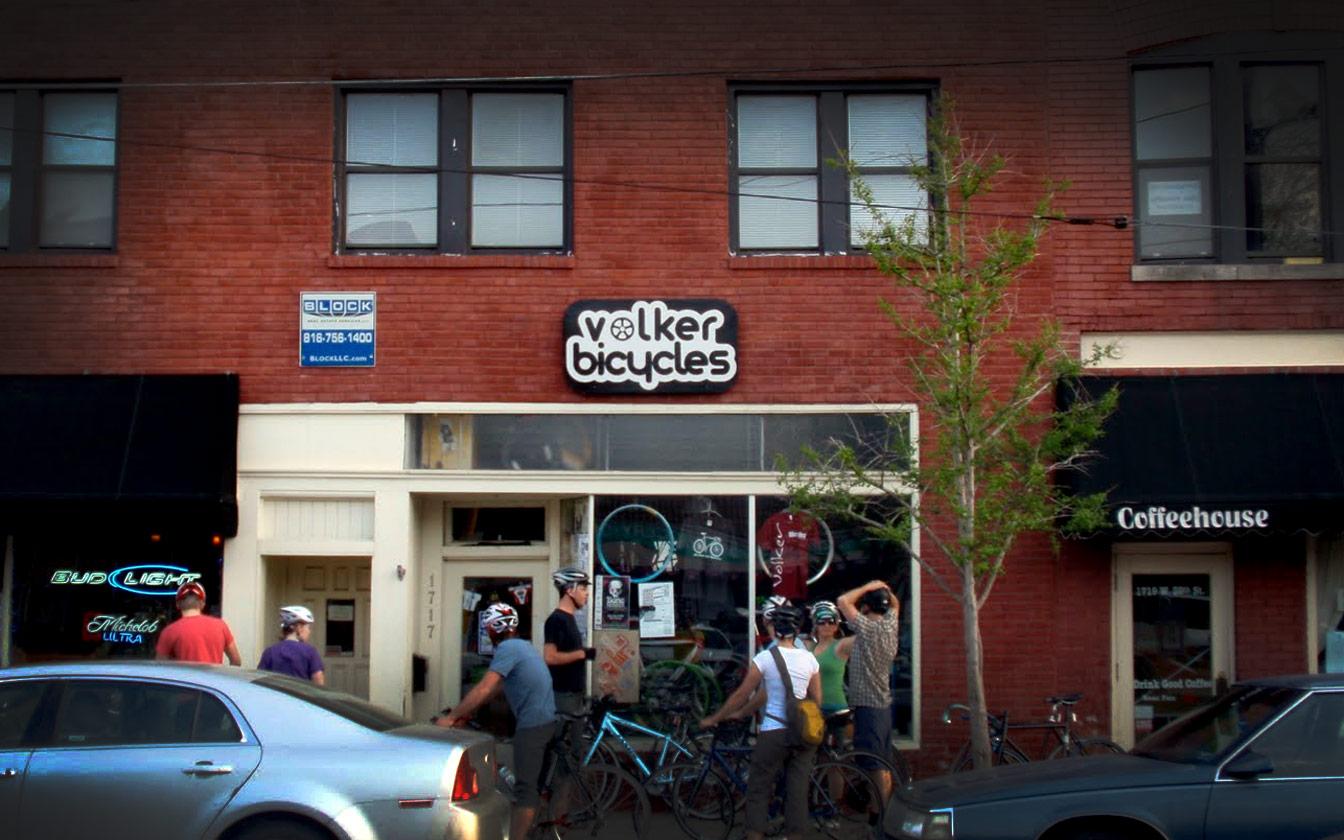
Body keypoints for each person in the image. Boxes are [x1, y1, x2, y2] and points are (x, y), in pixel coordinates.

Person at [436, 602, 556, 840]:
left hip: (533, 726)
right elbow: (497, 688)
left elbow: (484, 688)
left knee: (525, 791)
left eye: (487, 629)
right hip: (546, 722)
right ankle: (536, 828)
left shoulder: (508, 648)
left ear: (493, 629)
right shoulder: (523, 646)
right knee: (533, 785)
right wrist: (466, 713)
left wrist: (451, 717)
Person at [701, 605, 820, 840]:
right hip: (804, 733)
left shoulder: (765, 658)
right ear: (796, 631)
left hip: (774, 731)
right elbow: (817, 699)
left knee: (759, 787)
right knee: (798, 791)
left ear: (775, 629)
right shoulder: (809, 659)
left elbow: (742, 693)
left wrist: (716, 717)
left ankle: (755, 835)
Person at [836, 579, 901, 806]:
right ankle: (879, 809)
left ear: (865, 608)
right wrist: (886, 591)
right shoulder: (890, 626)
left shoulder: (867, 629)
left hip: (868, 707)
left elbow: (843, 602)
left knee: (874, 766)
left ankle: (881, 816)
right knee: (883, 763)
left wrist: (867, 587)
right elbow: (896, 605)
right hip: (882, 705)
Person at [543, 567, 595, 756]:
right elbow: (549, 656)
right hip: (564, 696)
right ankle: (553, 784)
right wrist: (580, 654)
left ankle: (569, 783)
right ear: (569, 590)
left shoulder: (570, 619)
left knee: (575, 747)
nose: (586, 593)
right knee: (563, 750)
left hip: (574, 694)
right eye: (582, 588)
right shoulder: (556, 620)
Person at [155, 581, 242, 665]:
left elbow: (160, 668)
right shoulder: (220, 626)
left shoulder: (169, 631)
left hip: (184, 680)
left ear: (178, 604)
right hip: (213, 679)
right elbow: (236, 661)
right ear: (202, 604)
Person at [258, 605, 326, 685]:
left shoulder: (270, 651)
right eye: (308, 627)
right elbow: (318, 681)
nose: (309, 631)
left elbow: (260, 679)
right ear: (299, 627)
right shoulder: (310, 651)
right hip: (300, 696)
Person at [807, 600, 852, 715]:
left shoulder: (841, 645)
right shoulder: (808, 647)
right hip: (813, 711)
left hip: (837, 709)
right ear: (815, 624)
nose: (826, 625)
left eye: (831, 621)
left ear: (837, 624)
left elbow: (865, 635)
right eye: (821, 621)